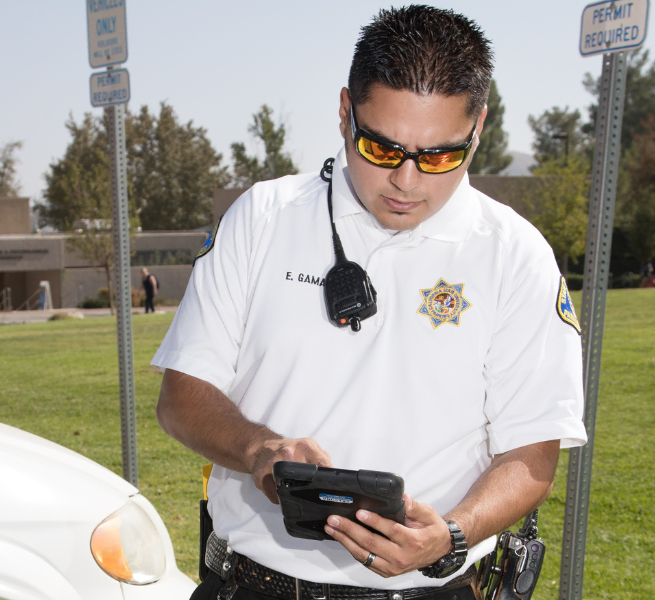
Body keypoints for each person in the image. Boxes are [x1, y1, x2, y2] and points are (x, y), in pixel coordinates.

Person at [152, 7, 586, 600]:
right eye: (382, 149)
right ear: (343, 112)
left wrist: (452, 534)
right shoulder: (261, 219)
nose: (407, 181)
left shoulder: (515, 254)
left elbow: (531, 453)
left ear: (478, 126)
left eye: (439, 156)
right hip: (254, 586)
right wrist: (258, 448)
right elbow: (182, 397)